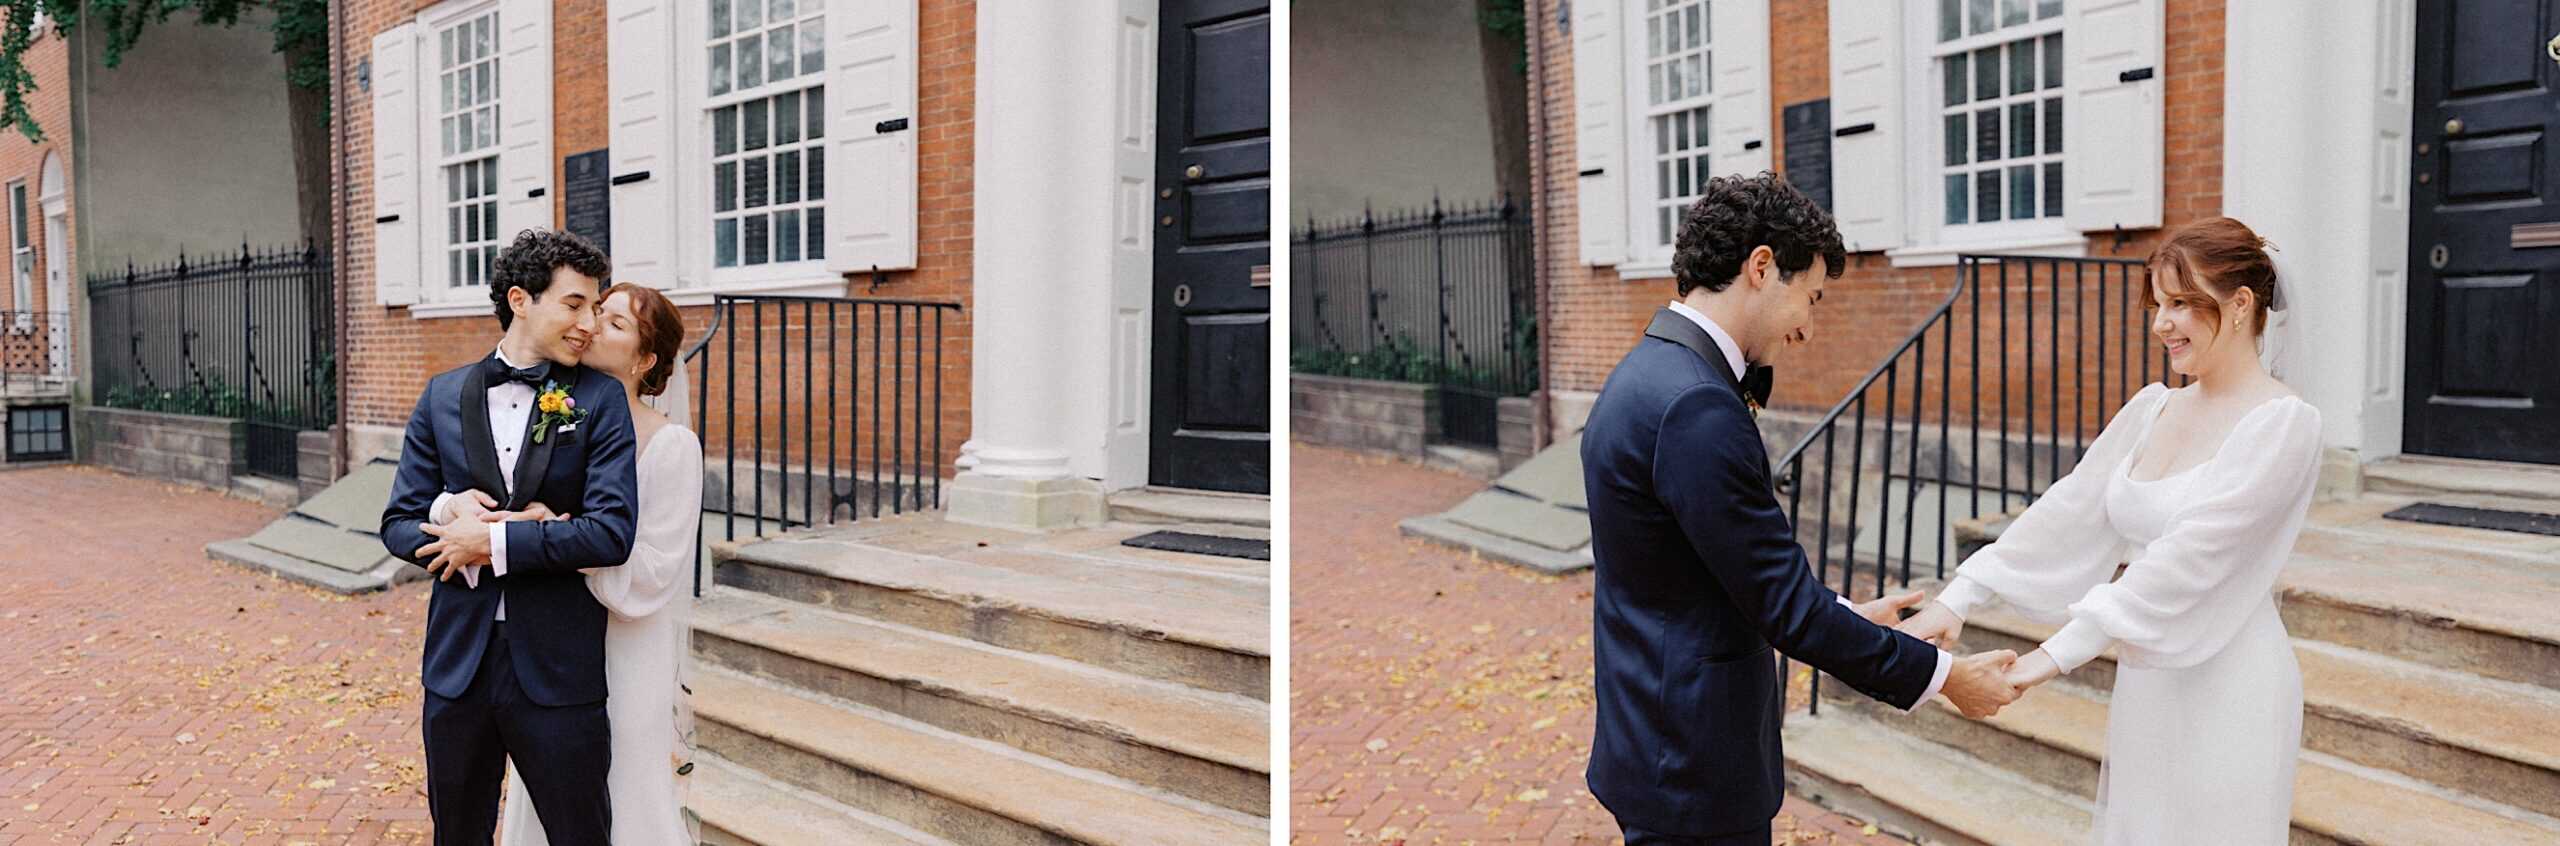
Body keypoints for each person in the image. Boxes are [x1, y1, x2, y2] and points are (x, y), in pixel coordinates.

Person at [1580, 173, 2022, 845]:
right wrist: (1948, 678)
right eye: (1810, 298)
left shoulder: (1646, 373)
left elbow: (1713, 576)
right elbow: (1785, 607)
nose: (1808, 328)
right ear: (1761, 268)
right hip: (1693, 770)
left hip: (1658, 742)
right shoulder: (1696, 405)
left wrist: (1845, 614)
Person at [1897, 216, 2317, 844]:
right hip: (2149, 674)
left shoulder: (2283, 425)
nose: (2161, 323)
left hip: (2231, 678)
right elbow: (2068, 509)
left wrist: (2049, 658)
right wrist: (1960, 596)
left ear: (2240, 305)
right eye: (2158, 304)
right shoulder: (2152, 408)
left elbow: (2191, 559)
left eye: (2181, 303)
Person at [379, 229, 635, 845]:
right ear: (521, 300)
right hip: (457, 668)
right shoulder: (442, 395)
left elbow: (611, 533)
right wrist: (446, 509)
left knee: (580, 835)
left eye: (596, 308)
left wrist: (490, 544)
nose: (589, 324)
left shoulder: (600, 399)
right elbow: (397, 523)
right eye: (574, 304)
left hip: (557, 668)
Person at [487, 282, 703, 846]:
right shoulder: (556, 417)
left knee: (624, 786)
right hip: (550, 638)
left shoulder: (672, 446)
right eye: (595, 311)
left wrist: (563, 539)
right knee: (544, 780)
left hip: (624, 643)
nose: (592, 325)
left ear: (645, 360)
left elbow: (657, 568)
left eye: (614, 323)